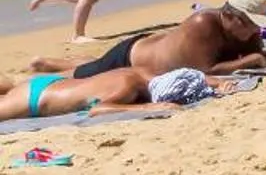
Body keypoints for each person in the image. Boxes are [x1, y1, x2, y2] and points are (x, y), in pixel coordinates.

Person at [27, 3, 266, 80]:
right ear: (229, 17)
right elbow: (202, 71)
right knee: (85, 75)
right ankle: (39, 73)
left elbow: (257, 55)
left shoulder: (244, 30)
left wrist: (264, 56)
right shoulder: (203, 24)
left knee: (97, 63)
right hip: (132, 58)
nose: (255, 29)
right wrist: (253, 59)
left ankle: (50, 62)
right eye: (250, 23)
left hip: (151, 47)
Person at [0, 65, 160, 122]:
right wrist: (146, 108)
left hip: (53, 84)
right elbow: (97, 109)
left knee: (8, 89)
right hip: (34, 98)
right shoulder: (127, 87)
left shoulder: (143, 71)